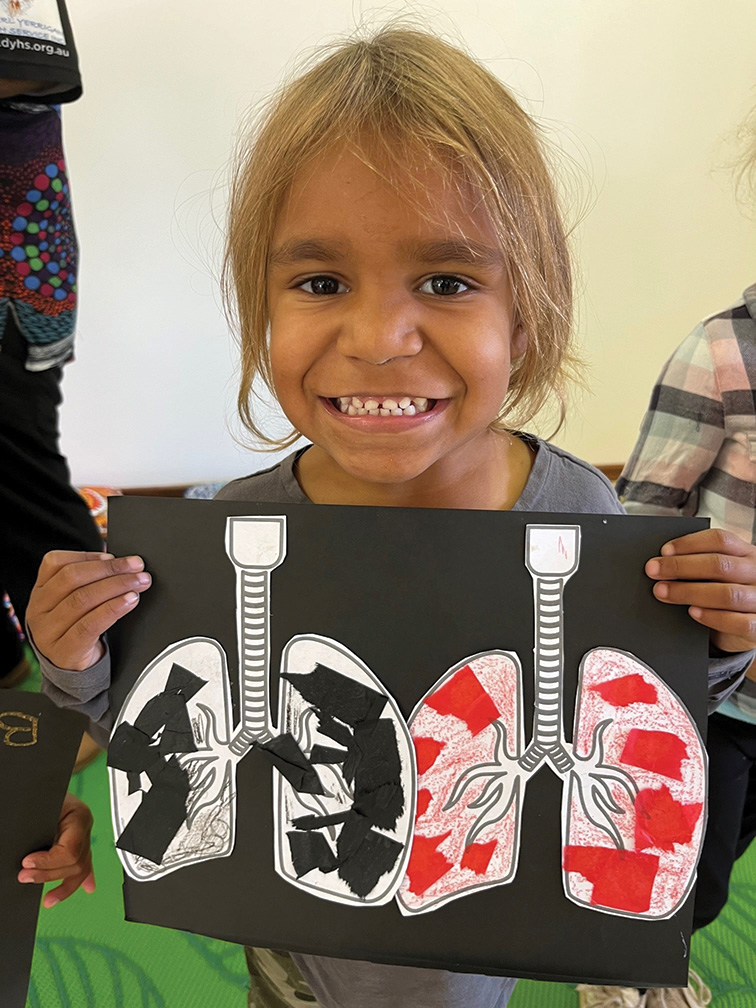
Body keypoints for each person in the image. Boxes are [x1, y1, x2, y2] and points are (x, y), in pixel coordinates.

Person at [25, 27, 756, 1008]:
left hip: (485, 943)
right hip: (295, 961)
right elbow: (160, 748)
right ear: (262, 310)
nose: (377, 338)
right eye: (321, 283)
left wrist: (716, 642)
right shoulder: (225, 537)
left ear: (525, 314)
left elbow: (631, 715)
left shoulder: (581, 514)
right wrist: (76, 662)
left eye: (448, 282)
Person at [577, 283, 756, 1008]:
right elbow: (643, 520)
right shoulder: (722, 352)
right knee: (679, 862)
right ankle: (621, 965)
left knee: (722, 864)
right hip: (724, 691)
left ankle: (649, 956)